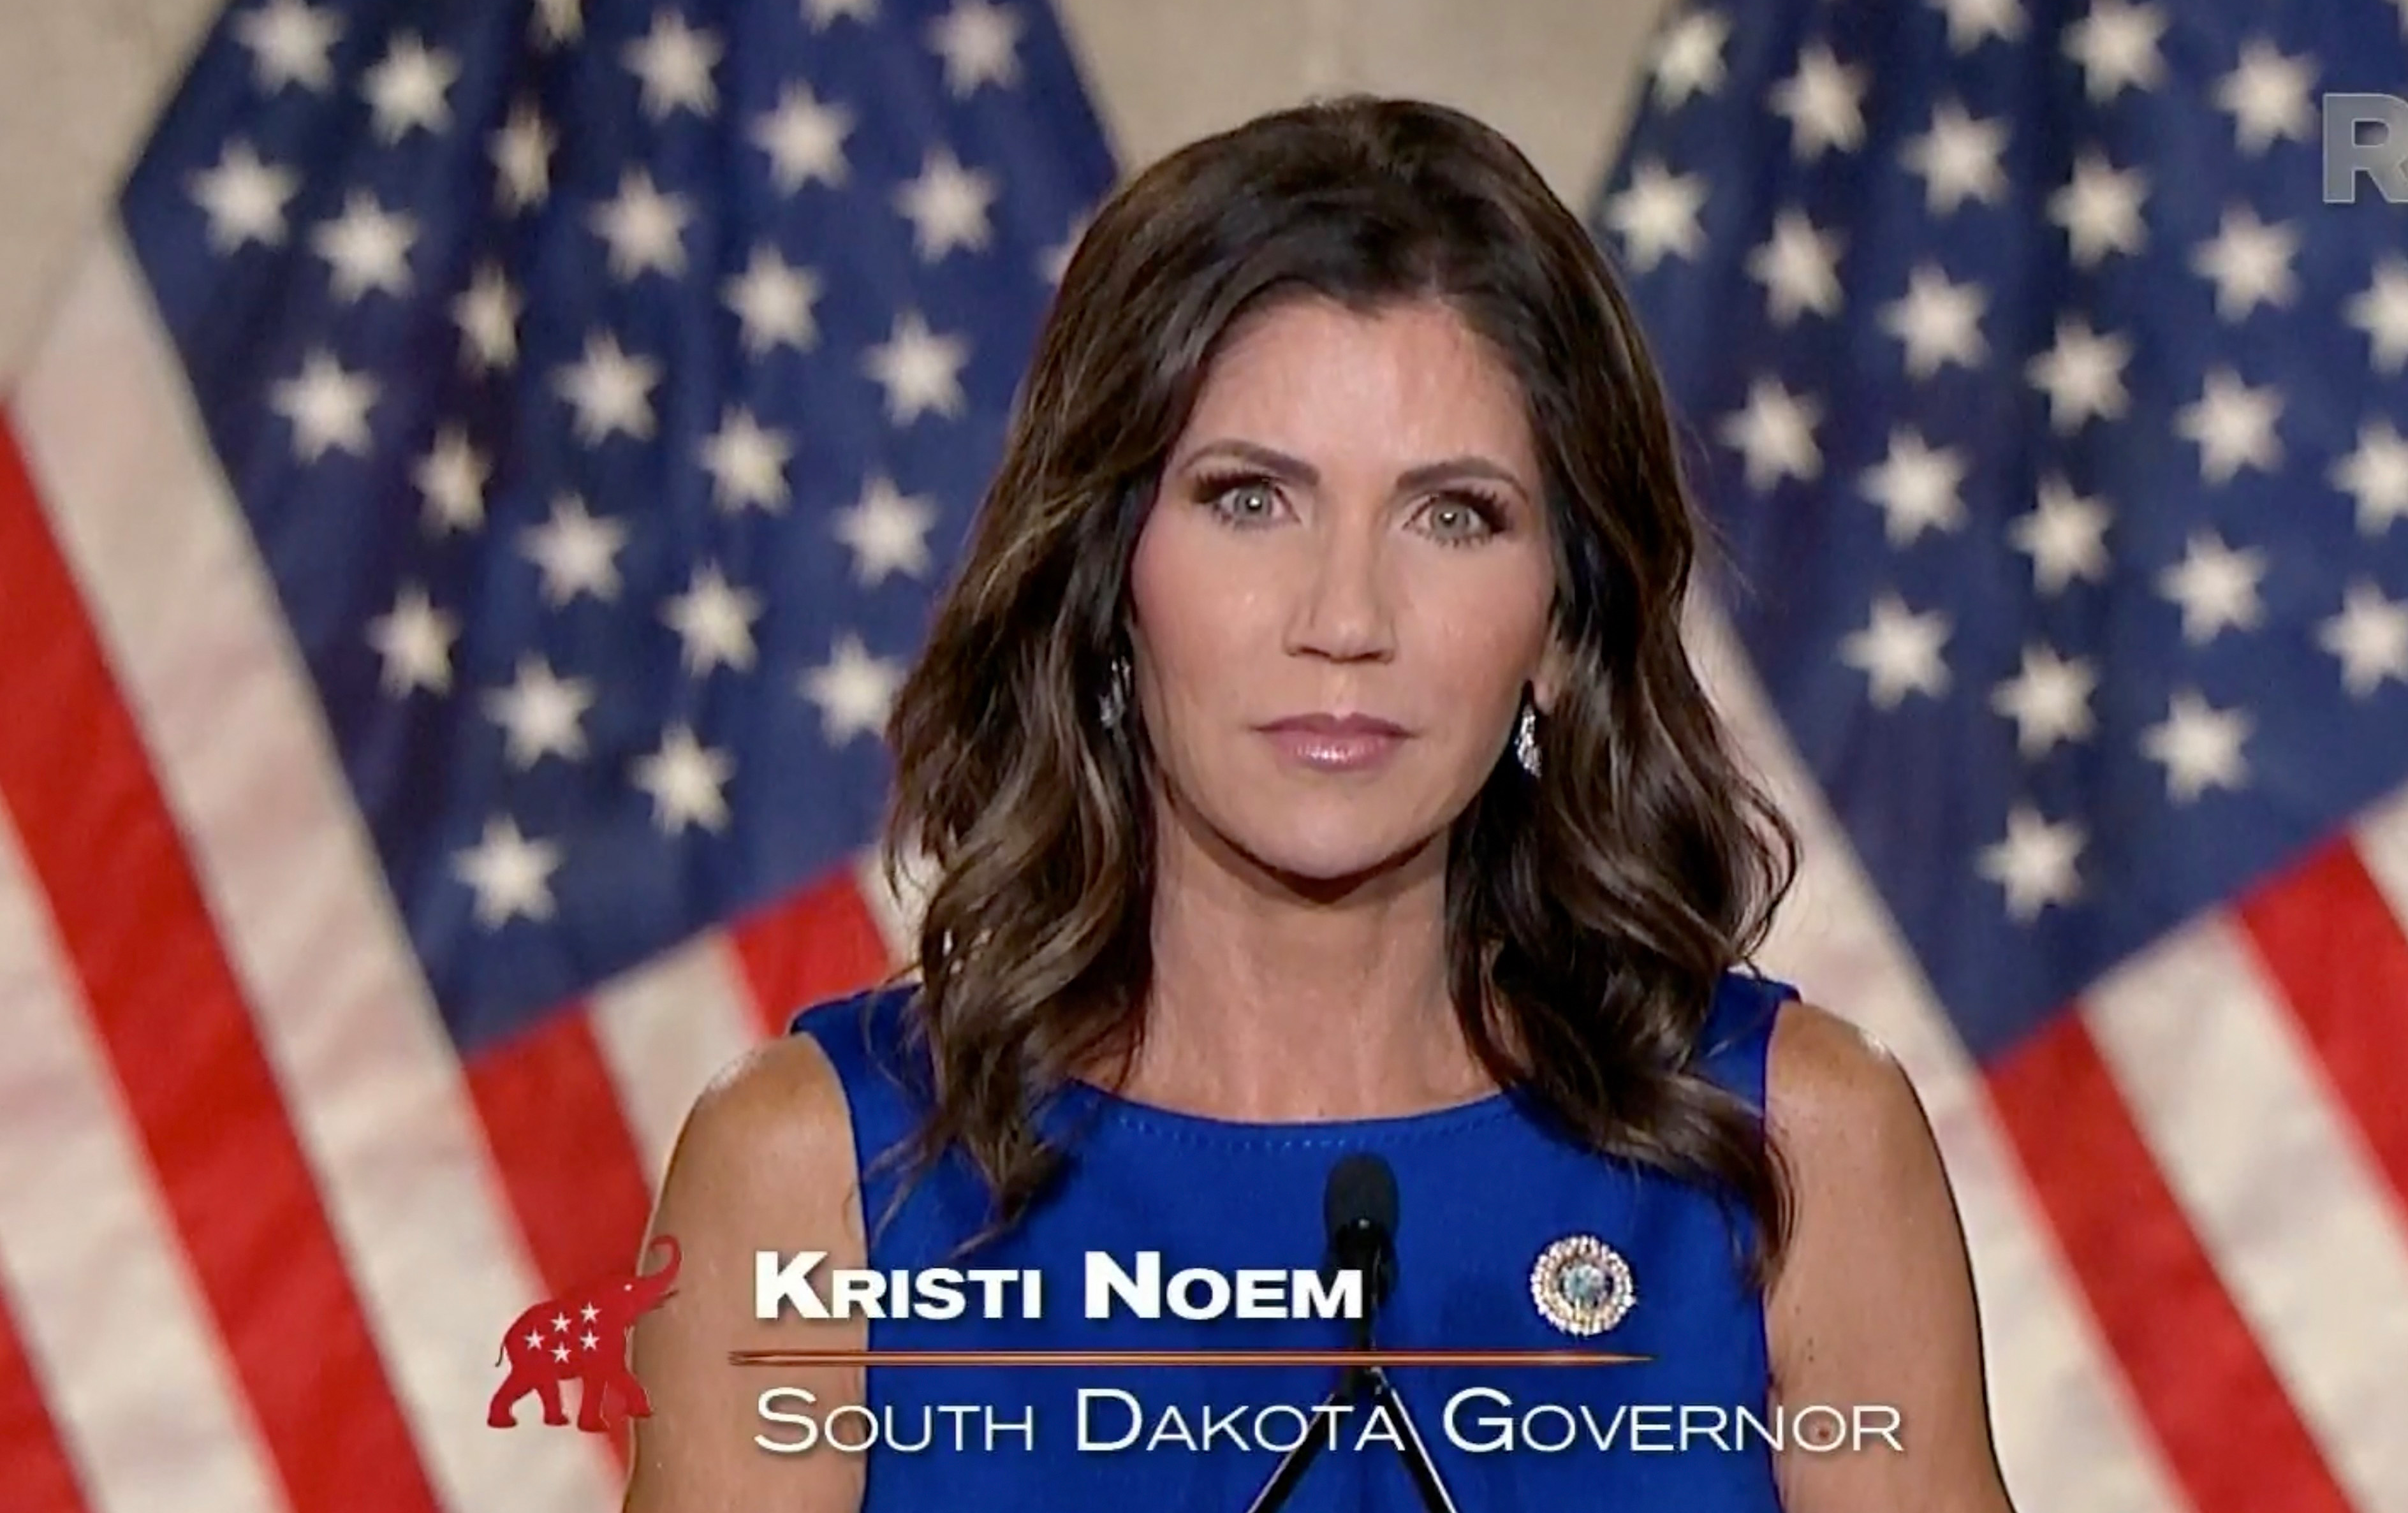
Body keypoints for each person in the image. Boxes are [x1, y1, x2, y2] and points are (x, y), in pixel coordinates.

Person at [622, 95, 2017, 1513]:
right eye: (1249, 499)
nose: (1347, 618)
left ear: (1557, 621)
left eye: (1454, 513)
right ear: (1107, 576)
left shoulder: (1793, 1148)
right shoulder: (822, 1175)